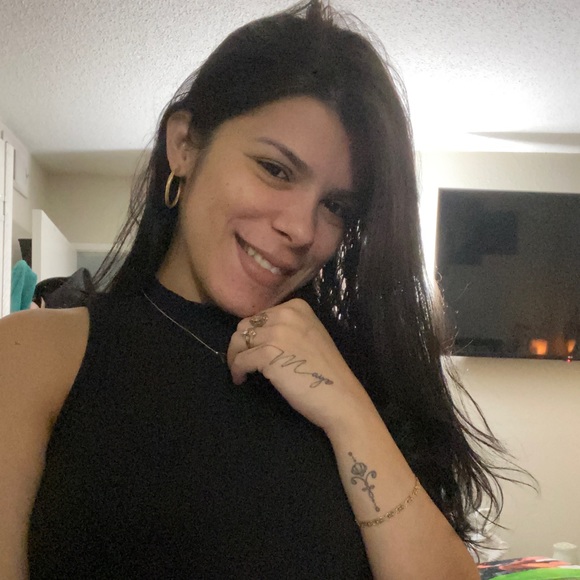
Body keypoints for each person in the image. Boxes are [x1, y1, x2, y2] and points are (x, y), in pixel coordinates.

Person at [0, 1, 522, 578]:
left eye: (335, 205)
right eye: (275, 169)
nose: (302, 230)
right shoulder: (35, 354)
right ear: (185, 144)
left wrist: (349, 411)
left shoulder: (361, 376)